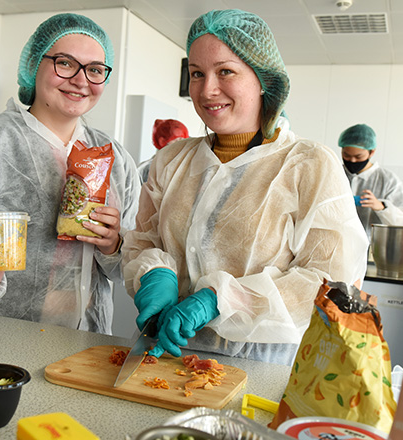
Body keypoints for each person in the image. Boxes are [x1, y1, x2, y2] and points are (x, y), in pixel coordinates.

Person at [122, 9, 368, 365]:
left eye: (225, 71)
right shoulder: (171, 160)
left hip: (256, 368)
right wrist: (153, 273)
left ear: (262, 78)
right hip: (159, 356)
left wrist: (221, 299)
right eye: (196, 74)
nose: (207, 89)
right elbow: (143, 240)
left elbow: (329, 283)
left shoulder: (309, 164)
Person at [0, 13, 141, 334]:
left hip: (85, 341)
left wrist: (113, 244)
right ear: (35, 65)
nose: (80, 80)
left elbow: (132, 257)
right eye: (65, 63)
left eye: (94, 70)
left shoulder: (115, 157)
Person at [338, 123, 403, 237]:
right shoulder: (335, 173)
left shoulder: (387, 180)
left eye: (358, 157)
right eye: (346, 155)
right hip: (337, 244)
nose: (352, 161)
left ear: (372, 152)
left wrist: (381, 206)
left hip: (371, 247)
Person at [137, 119, 189, 183]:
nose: (182, 145)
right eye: (177, 140)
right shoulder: (147, 169)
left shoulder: (183, 167)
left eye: (184, 140)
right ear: (162, 141)